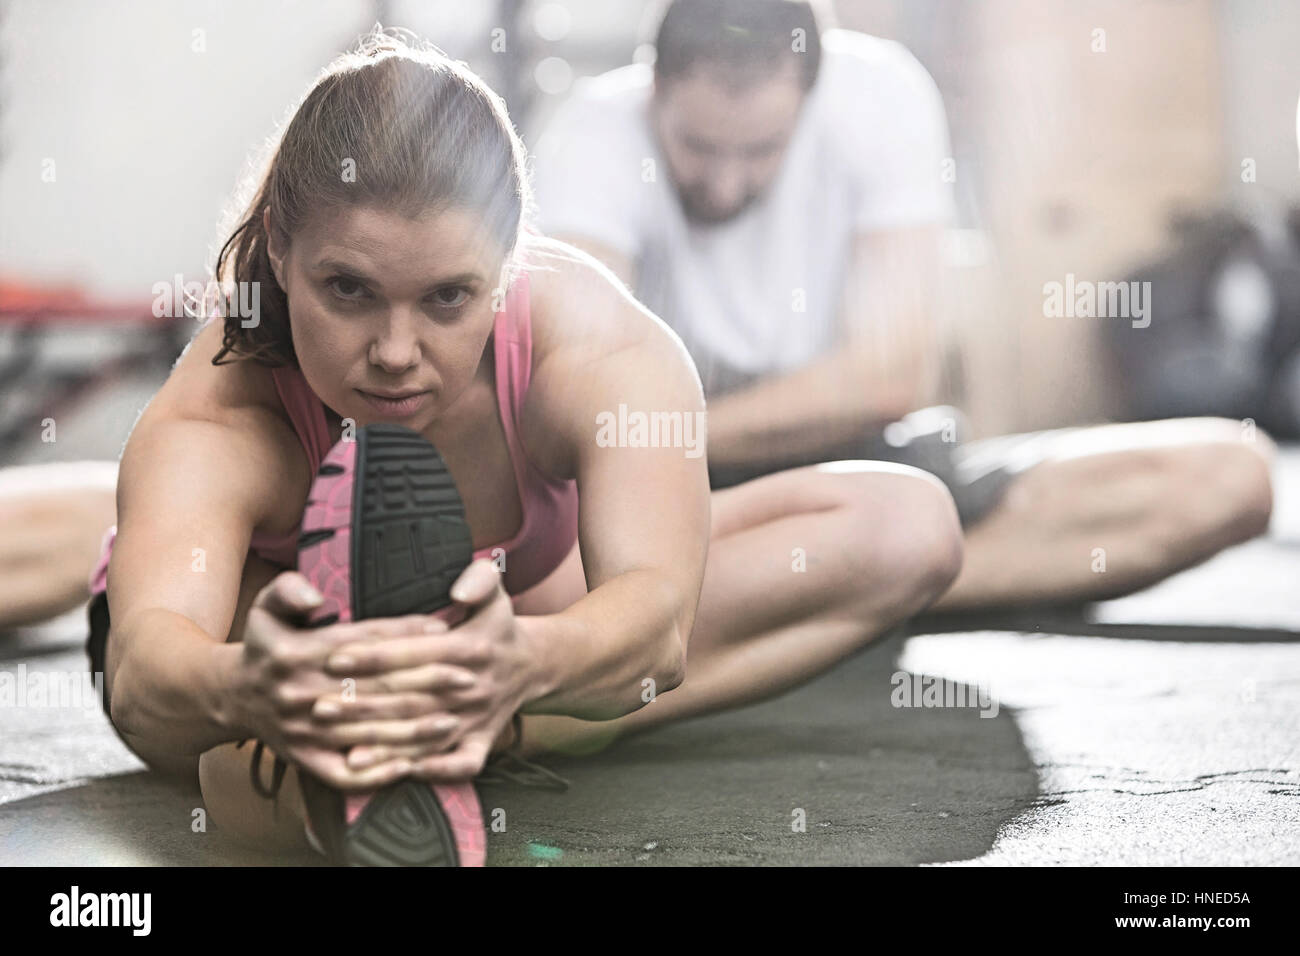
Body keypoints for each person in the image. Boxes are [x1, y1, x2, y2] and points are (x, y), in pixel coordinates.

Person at [75, 28, 961, 858]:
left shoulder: (598, 349)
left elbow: (656, 625)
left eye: (447, 299)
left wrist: (524, 660)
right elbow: (146, 670)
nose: (393, 352)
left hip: (506, 626)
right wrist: (244, 684)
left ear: (508, 262)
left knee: (907, 524)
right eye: (347, 289)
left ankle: (479, 730)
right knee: (257, 733)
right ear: (280, 244)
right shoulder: (227, 409)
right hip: (277, 654)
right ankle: (341, 766)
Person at [530, 0, 1275, 611]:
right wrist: (657, 452)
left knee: (1232, 475)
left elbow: (886, 380)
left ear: (810, 97)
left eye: (760, 152)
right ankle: (859, 578)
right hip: (681, 491)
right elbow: (589, 396)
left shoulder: (879, 95)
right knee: (570, 567)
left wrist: (666, 428)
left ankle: (833, 588)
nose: (726, 187)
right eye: (697, 149)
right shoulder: (591, 131)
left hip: (850, 469)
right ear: (653, 87)